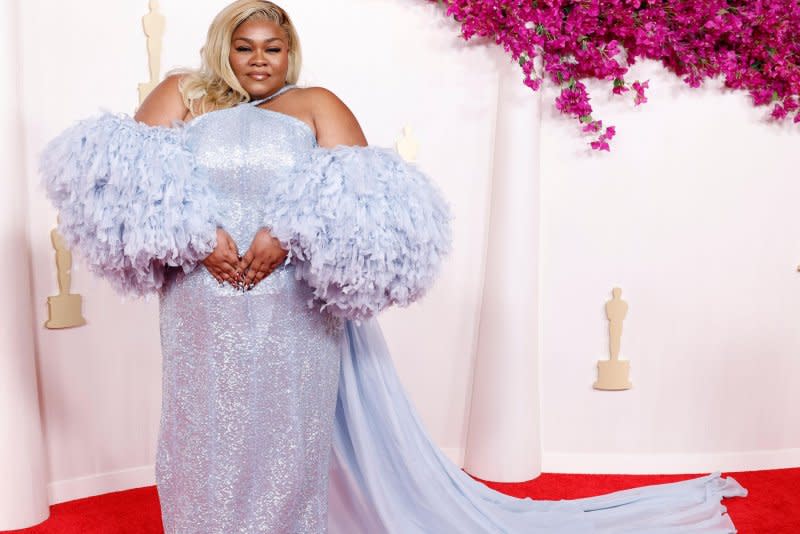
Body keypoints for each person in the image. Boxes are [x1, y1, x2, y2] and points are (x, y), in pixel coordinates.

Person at [40, 1, 747, 532]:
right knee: (201, 436)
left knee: (288, 440)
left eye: (274, 49)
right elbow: (124, 191)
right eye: (246, 47)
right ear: (221, 49)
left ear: (291, 54)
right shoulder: (181, 96)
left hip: (291, 309)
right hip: (202, 304)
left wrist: (288, 233)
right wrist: (198, 236)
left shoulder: (316, 104)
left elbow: (370, 206)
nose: (260, 61)